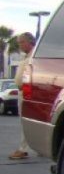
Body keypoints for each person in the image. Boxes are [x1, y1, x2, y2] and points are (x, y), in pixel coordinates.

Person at [9, 32, 35, 160]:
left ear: (29, 42)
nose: (20, 45)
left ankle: (23, 149)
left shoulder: (33, 56)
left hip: (27, 93)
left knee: (26, 122)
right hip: (23, 91)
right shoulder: (26, 57)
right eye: (18, 43)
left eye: (22, 42)